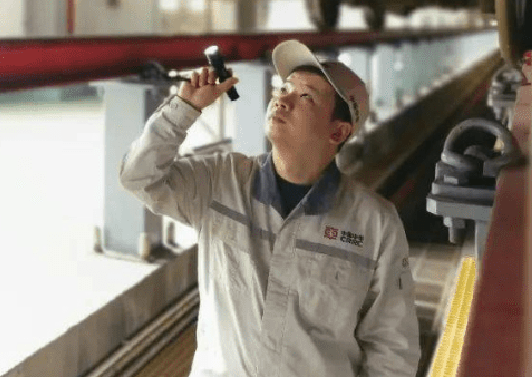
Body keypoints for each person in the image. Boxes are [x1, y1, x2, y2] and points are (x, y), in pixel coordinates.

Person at [119, 39, 419, 377]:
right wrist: (182, 110)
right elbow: (138, 177)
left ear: (338, 131)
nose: (282, 99)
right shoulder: (221, 181)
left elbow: (393, 346)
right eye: (283, 88)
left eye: (305, 96)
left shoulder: (375, 223)